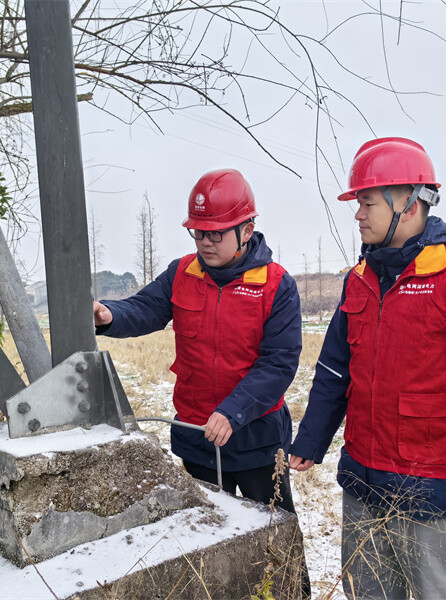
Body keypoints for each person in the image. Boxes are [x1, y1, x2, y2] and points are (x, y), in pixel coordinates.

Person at [288, 138, 446, 600]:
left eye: (366, 202)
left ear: (411, 202)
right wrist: (312, 439)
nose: (357, 214)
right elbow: (335, 371)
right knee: (365, 593)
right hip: (362, 485)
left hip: (431, 495)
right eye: (357, 202)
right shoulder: (358, 281)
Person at [94, 168, 302, 514]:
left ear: (246, 230)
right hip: (197, 438)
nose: (205, 242)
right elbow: (145, 308)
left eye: (216, 234)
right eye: (198, 232)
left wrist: (233, 412)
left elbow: (278, 364)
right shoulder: (181, 272)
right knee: (207, 538)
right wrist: (110, 316)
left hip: (257, 442)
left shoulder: (276, 285)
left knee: (271, 544)